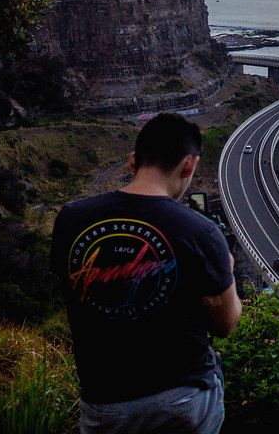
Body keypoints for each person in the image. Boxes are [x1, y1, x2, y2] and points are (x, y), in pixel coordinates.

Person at [51, 113, 242, 434]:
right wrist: (228, 271)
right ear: (189, 165)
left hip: (104, 400)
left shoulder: (71, 219)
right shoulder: (202, 232)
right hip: (184, 398)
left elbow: (73, 290)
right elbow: (226, 324)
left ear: (132, 161)